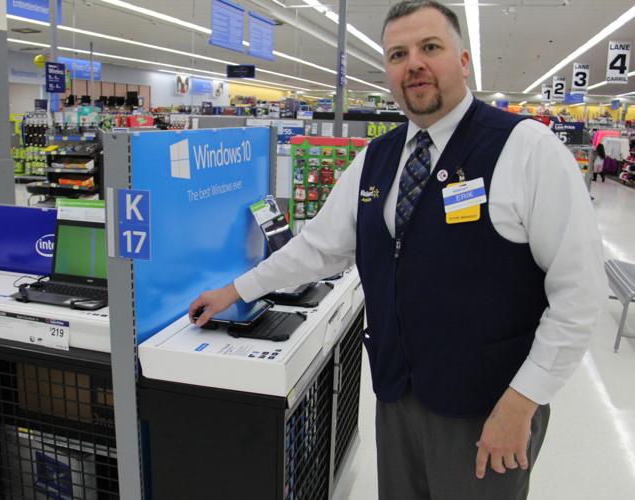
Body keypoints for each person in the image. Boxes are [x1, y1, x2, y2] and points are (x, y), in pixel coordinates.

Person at [189, 1, 606, 498]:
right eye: (398, 54)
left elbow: (579, 292)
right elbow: (318, 249)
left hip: (490, 406)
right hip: (397, 396)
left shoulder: (528, 151)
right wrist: (235, 290)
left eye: (430, 47)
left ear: (464, 60)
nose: (414, 64)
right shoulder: (376, 159)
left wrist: (524, 401)